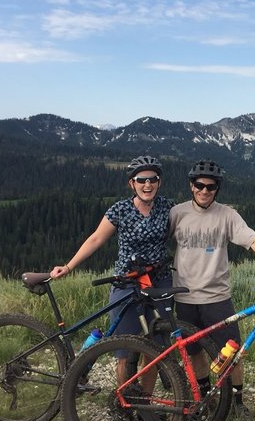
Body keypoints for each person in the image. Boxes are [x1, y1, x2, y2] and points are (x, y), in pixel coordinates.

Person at [169, 159, 255, 421]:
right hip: (184, 297)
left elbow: (252, 239)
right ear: (191, 186)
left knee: (232, 353)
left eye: (210, 187)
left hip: (217, 297)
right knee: (195, 354)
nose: (204, 191)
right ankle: (205, 397)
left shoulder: (227, 215)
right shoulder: (176, 213)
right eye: (199, 185)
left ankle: (238, 402)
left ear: (217, 188)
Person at [50, 155, 175, 397]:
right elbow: (96, 238)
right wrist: (69, 266)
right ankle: (124, 404)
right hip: (127, 284)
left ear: (159, 182)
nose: (147, 185)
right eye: (141, 180)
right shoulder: (120, 209)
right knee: (123, 351)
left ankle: (144, 405)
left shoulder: (168, 207)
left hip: (159, 282)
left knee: (155, 350)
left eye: (153, 179)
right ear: (132, 183)